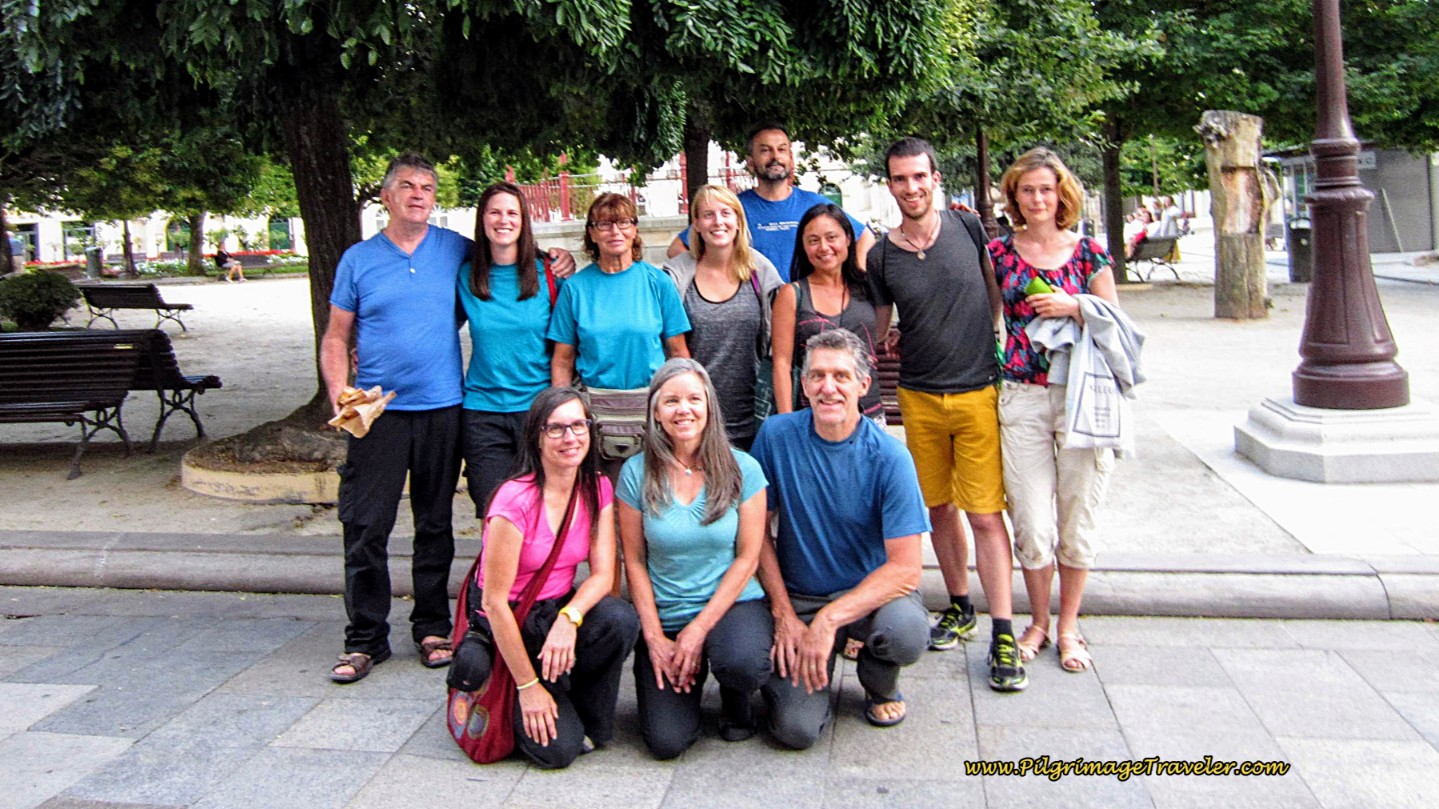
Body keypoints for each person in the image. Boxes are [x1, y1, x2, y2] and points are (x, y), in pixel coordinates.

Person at [866, 136, 1024, 691]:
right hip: (917, 396)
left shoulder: (968, 228)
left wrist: (996, 339)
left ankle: (1004, 628)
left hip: (978, 389)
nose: (911, 187)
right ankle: (960, 604)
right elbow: (882, 324)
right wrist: (881, 342)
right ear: (890, 185)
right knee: (938, 510)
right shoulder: (881, 255)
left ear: (935, 178)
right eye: (900, 179)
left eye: (919, 177)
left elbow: (995, 289)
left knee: (985, 514)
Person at [321, 153, 469, 682]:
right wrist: (340, 392)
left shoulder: (455, 250)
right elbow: (337, 336)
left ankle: (432, 627)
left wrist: (557, 261)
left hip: (443, 408)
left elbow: (510, 261)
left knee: (435, 524)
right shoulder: (358, 260)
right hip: (378, 415)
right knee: (366, 526)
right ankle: (365, 638)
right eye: (406, 186)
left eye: (427, 187)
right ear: (386, 197)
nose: (418, 195)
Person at [751, 329, 930, 748]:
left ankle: (878, 678)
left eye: (841, 376)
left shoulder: (889, 457)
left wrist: (832, 619)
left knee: (905, 631)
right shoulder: (776, 437)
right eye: (816, 376)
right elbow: (756, 531)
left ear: (863, 385)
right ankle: (810, 675)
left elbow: (905, 568)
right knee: (794, 731)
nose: (827, 387)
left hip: (869, 598)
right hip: (800, 598)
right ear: (803, 384)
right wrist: (783, 613)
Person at [449, 387, 639, 768]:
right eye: (556, 429)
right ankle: (534, 686)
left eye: (578, 425)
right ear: (536, 437)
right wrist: (528, 687)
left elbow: (603, 575)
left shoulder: (596, 487)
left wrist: (569, 619)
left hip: (553, 609)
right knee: (558, 752)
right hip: (509, 621)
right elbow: (493, 602)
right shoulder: (512, 501)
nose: (570, 438)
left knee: (619, 620)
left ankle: (573, 702)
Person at [989, 148, 1119, 675]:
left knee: (1078, 515)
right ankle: (1038, 621)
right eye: (1027, 190)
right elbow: (989, 316)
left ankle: (1069, 624)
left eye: (1046, 189)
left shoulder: (1088, 254)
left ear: (1061, 194)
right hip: (1022, 395)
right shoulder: (999, 252)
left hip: (1081, 397)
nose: (1038, 199)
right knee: (1032, 521)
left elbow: (1117, 326)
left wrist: (1076, 306)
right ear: (1015, 197)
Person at [617, 359, 772, 759]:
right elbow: (633, 559)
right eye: (670, 401)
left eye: (692, 399)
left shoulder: (744, 468)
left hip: (731, 606)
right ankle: (690, 673)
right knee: (666, 742)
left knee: (741, 662)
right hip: (666, 611)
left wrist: (698, 630)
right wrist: (653, 637)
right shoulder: (635, 473)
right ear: (654, 412)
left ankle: (736, 699)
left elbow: (748, 557)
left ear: (709, 406)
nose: (683, 409)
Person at [548, 193, 690, 473]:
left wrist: (679, 406)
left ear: (635, 229)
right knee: (601, 502)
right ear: (592, 233)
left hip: (651, 411)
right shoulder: (575, 289)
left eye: (624, 222)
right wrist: (563, 414)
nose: (615, 231)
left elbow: (678, 353)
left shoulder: (658, 283)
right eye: (605, 224)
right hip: (595, 413)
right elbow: (562, 361)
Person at [459, 182, 562, 513]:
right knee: (495, 513)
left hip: (537, 411)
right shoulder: (465, 276)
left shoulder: (550, 273)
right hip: (483, 413)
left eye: (512, 213)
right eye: (495, 212)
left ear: (523, 221)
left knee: (542, 513)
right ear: (482, 219)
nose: (503, 220)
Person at [666, 122, 874, 280]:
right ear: (750, 162)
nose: (775, 156)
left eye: (782, 149)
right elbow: (677, 249)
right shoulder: (732, 209)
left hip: (807, 310)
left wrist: (854, 278)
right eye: (765, 150)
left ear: (791, 159)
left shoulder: (814, 204)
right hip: (755, 314)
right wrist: (717, 281)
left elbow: (865, 237)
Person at [662, 185, 783, 451]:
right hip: (695, 419)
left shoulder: (760, 272)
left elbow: (779, 344)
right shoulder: (675, 276)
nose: (718, 222)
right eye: (708, 215)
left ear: (738, 221)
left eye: (726, 213)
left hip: (753, 416)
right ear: (696, 223)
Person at [770, 203, 884, 422]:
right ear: (803, 246)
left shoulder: (868, 286)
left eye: (832, 237)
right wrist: (786, 424)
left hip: (868, 414)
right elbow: (781, 364)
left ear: (848, 239)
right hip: (813, 414)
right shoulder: (792, 294)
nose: (823, 247)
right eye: (813, 240)